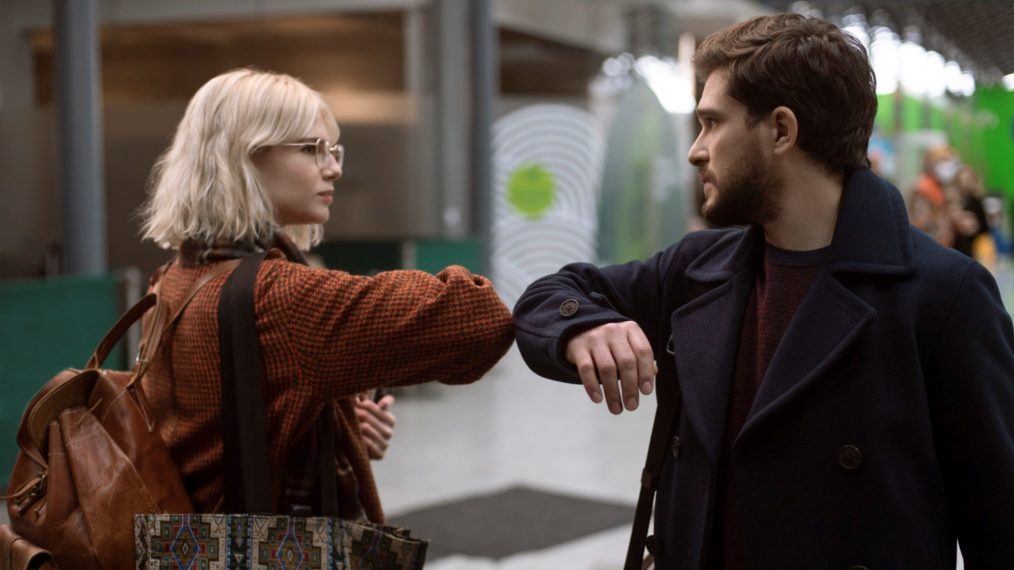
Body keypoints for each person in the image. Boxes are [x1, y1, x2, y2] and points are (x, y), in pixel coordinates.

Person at [513, 13, 1014, 569]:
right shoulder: (699, 268)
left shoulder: (943, 295)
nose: (695, 151)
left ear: (780, 130)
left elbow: (1001, 521)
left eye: (711, 123)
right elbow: (547, 296)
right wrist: (583, 323)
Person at [138, 68, 514, 521]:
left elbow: (217, 438)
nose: (333, 167)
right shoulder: (281, 297)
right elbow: (478, 319)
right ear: (245, 157)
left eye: (332, 150)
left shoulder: (172, 278)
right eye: (311, 149)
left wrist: (337, 429)